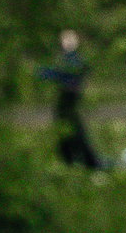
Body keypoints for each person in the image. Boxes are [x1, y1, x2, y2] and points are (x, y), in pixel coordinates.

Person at [38, 29, 102, 170]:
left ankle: (79, 160)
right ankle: (71, 160)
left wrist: (42, 73)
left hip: (69, 97)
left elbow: (57, 73)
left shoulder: (72, 60)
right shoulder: (70, 59)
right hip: (68, 98)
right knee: (68, 128)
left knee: (71, 128)